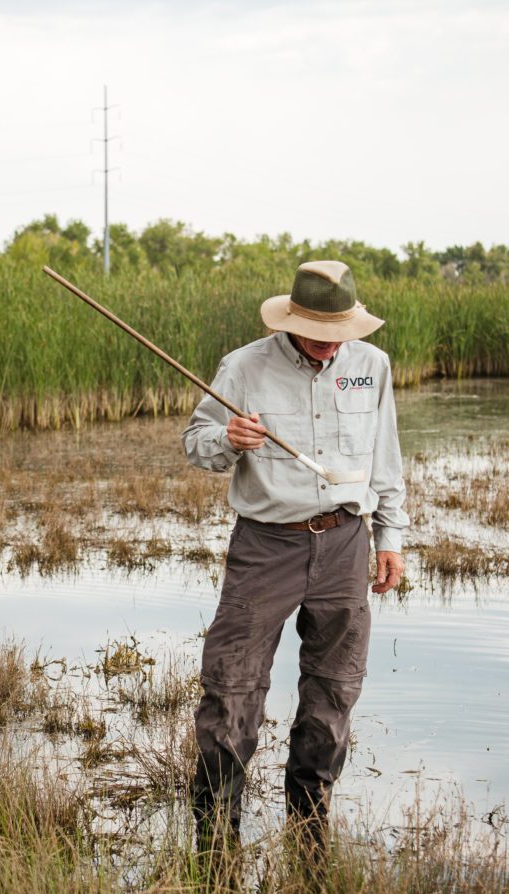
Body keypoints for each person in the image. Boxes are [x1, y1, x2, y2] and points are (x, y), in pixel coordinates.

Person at [182, 260, 406, 858]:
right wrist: (227, 439)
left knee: (334, 689)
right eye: (316, 331)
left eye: (339, 333)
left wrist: (390, 539)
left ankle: (309, 830)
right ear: (290, 320)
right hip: (266, 545)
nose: (328, 345)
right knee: (231, 686)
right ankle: (215, 842)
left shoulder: (372, 366)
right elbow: (195, 445)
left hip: (345, 543)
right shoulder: (244, 366)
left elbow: (385, 461)